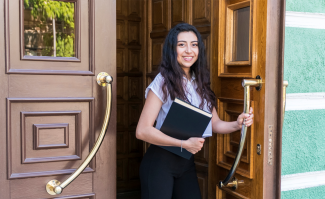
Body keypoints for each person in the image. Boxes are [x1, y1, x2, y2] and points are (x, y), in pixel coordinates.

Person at [136, 23, 254, 199]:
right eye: (181, 44)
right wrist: (183, 144)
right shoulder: (162, 82)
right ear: (172, 49)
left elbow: (215, 124)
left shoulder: (200, 82)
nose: (189, 50)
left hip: (185, 164)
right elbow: (142, 131)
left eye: (194, 44)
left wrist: (237, 124)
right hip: (160, 163)